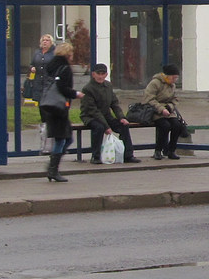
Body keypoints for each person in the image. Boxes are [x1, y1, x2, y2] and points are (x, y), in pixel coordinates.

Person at [38, 42, 83, 182]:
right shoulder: (65, 68)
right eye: (71, 53)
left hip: (49, 106)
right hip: (59, 108)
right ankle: (53, 169)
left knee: (66, 138)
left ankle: (53, 167)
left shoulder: (51, 65)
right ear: (68, 54)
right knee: (63, 138)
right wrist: (76, 94)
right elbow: (63, 88)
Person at [79, 63, 140, 164]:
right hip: (90, 116)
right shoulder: (88, 89)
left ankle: (128, 155)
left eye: (103, 74)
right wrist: (106, 127)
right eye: (98, 74)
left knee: (123, 126)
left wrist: (121, 117)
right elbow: (93, 111)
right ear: (93, 74)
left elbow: (114, 103)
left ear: (106, 74)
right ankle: (96, 156)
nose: (101, 76)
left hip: (106, 115)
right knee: (99, 127)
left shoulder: (108, 85)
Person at [143, 63, 187, 160]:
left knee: (177, 125)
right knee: (165, 126)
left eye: (176, 78)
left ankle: (171, 150)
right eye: (174, 78)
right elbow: (149, 99)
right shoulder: (155, 83)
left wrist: (169, 107)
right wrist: (161, 109)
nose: (175, 80)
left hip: (168, 110)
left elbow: (175, 99)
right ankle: (158, 150)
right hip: (155, 111)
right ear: (167, 76)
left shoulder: (172, 85)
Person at [29, 33, 57, 102]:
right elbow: (32, 64)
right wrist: (32, 68)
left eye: (47, 40)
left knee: (48, 101)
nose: (45, 42)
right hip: (38, 81)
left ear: (51, 42)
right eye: (43, 40)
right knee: (40, 100)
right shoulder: (37, 52)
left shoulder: (54, 53)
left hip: (49, 81)